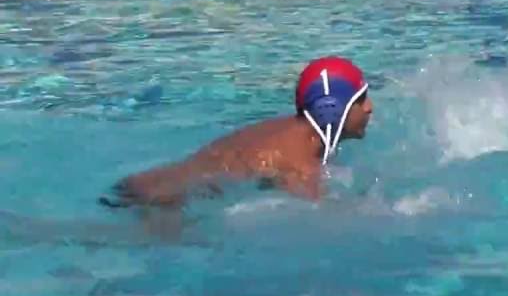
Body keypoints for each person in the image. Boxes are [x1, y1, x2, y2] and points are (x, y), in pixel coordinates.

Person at [105, 57, 373, 208]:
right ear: (333, 106)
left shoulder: (295, 133)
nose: (370, 108)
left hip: (150, 186)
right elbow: (322, 224)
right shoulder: (297, 160)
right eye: (361, 100)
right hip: (159, 201)